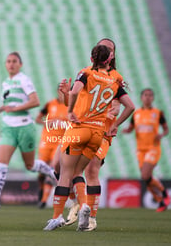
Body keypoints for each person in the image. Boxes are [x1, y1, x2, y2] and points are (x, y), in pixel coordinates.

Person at [44, 44, 135, 231]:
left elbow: (78, 96)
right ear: (108, 58)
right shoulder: (115, 79)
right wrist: (65, 94)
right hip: (97, 132)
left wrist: (69, 110)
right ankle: (83, 206)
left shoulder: (86, 73)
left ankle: (61, 216)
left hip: (80, 128)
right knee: (67, 169)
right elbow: (130, 106)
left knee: (73, 172)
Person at [0, 52, 55, 211]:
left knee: (30, 165)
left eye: (14, 61)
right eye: (8, 61)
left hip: (24, 127)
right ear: (5, 64)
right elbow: (9, 103)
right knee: (0, 164)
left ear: (20, 64)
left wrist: (15, 108)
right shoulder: (6, 82)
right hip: (8, 127)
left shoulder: (24, 80)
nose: (11, 64)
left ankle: (53, 173)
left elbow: (35, 101)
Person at [61, 38, 123, 231]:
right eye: (103, 47)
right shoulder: (86, 73)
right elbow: (74, 103)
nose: (106, 51)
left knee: (92, 170)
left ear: (113, 54)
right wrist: (65, 94)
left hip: (101, 130)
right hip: (80, 127)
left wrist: (106, 116)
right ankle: (78, 204)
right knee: (61, 167)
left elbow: (116, 107)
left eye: (110, 49)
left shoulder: (115, 78)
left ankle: (91, 218)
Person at [122, 88, 171, 212]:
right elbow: (131, 128)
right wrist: (127, 130)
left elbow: (166, 129)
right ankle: (160, 202)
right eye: (145, 95)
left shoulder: (158, 113)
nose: (148, 97)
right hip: (140, 150)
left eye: (150, 95)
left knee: (145, 174)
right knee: (146, 178)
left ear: (153, 98)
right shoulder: (136, 114)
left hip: (153, 148)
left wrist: (161, 134)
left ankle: (164, 194)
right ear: (141, 98)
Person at [35, 91, 67, 209]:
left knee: (52, 168)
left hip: (59, 142)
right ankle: (41, 189)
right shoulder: (50, 104)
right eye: (60, 92)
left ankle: (43, 200)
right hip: (46, 141)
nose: (62, 94)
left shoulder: (70, 107)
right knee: (41, 170)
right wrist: (47, 122)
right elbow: (37, 119)